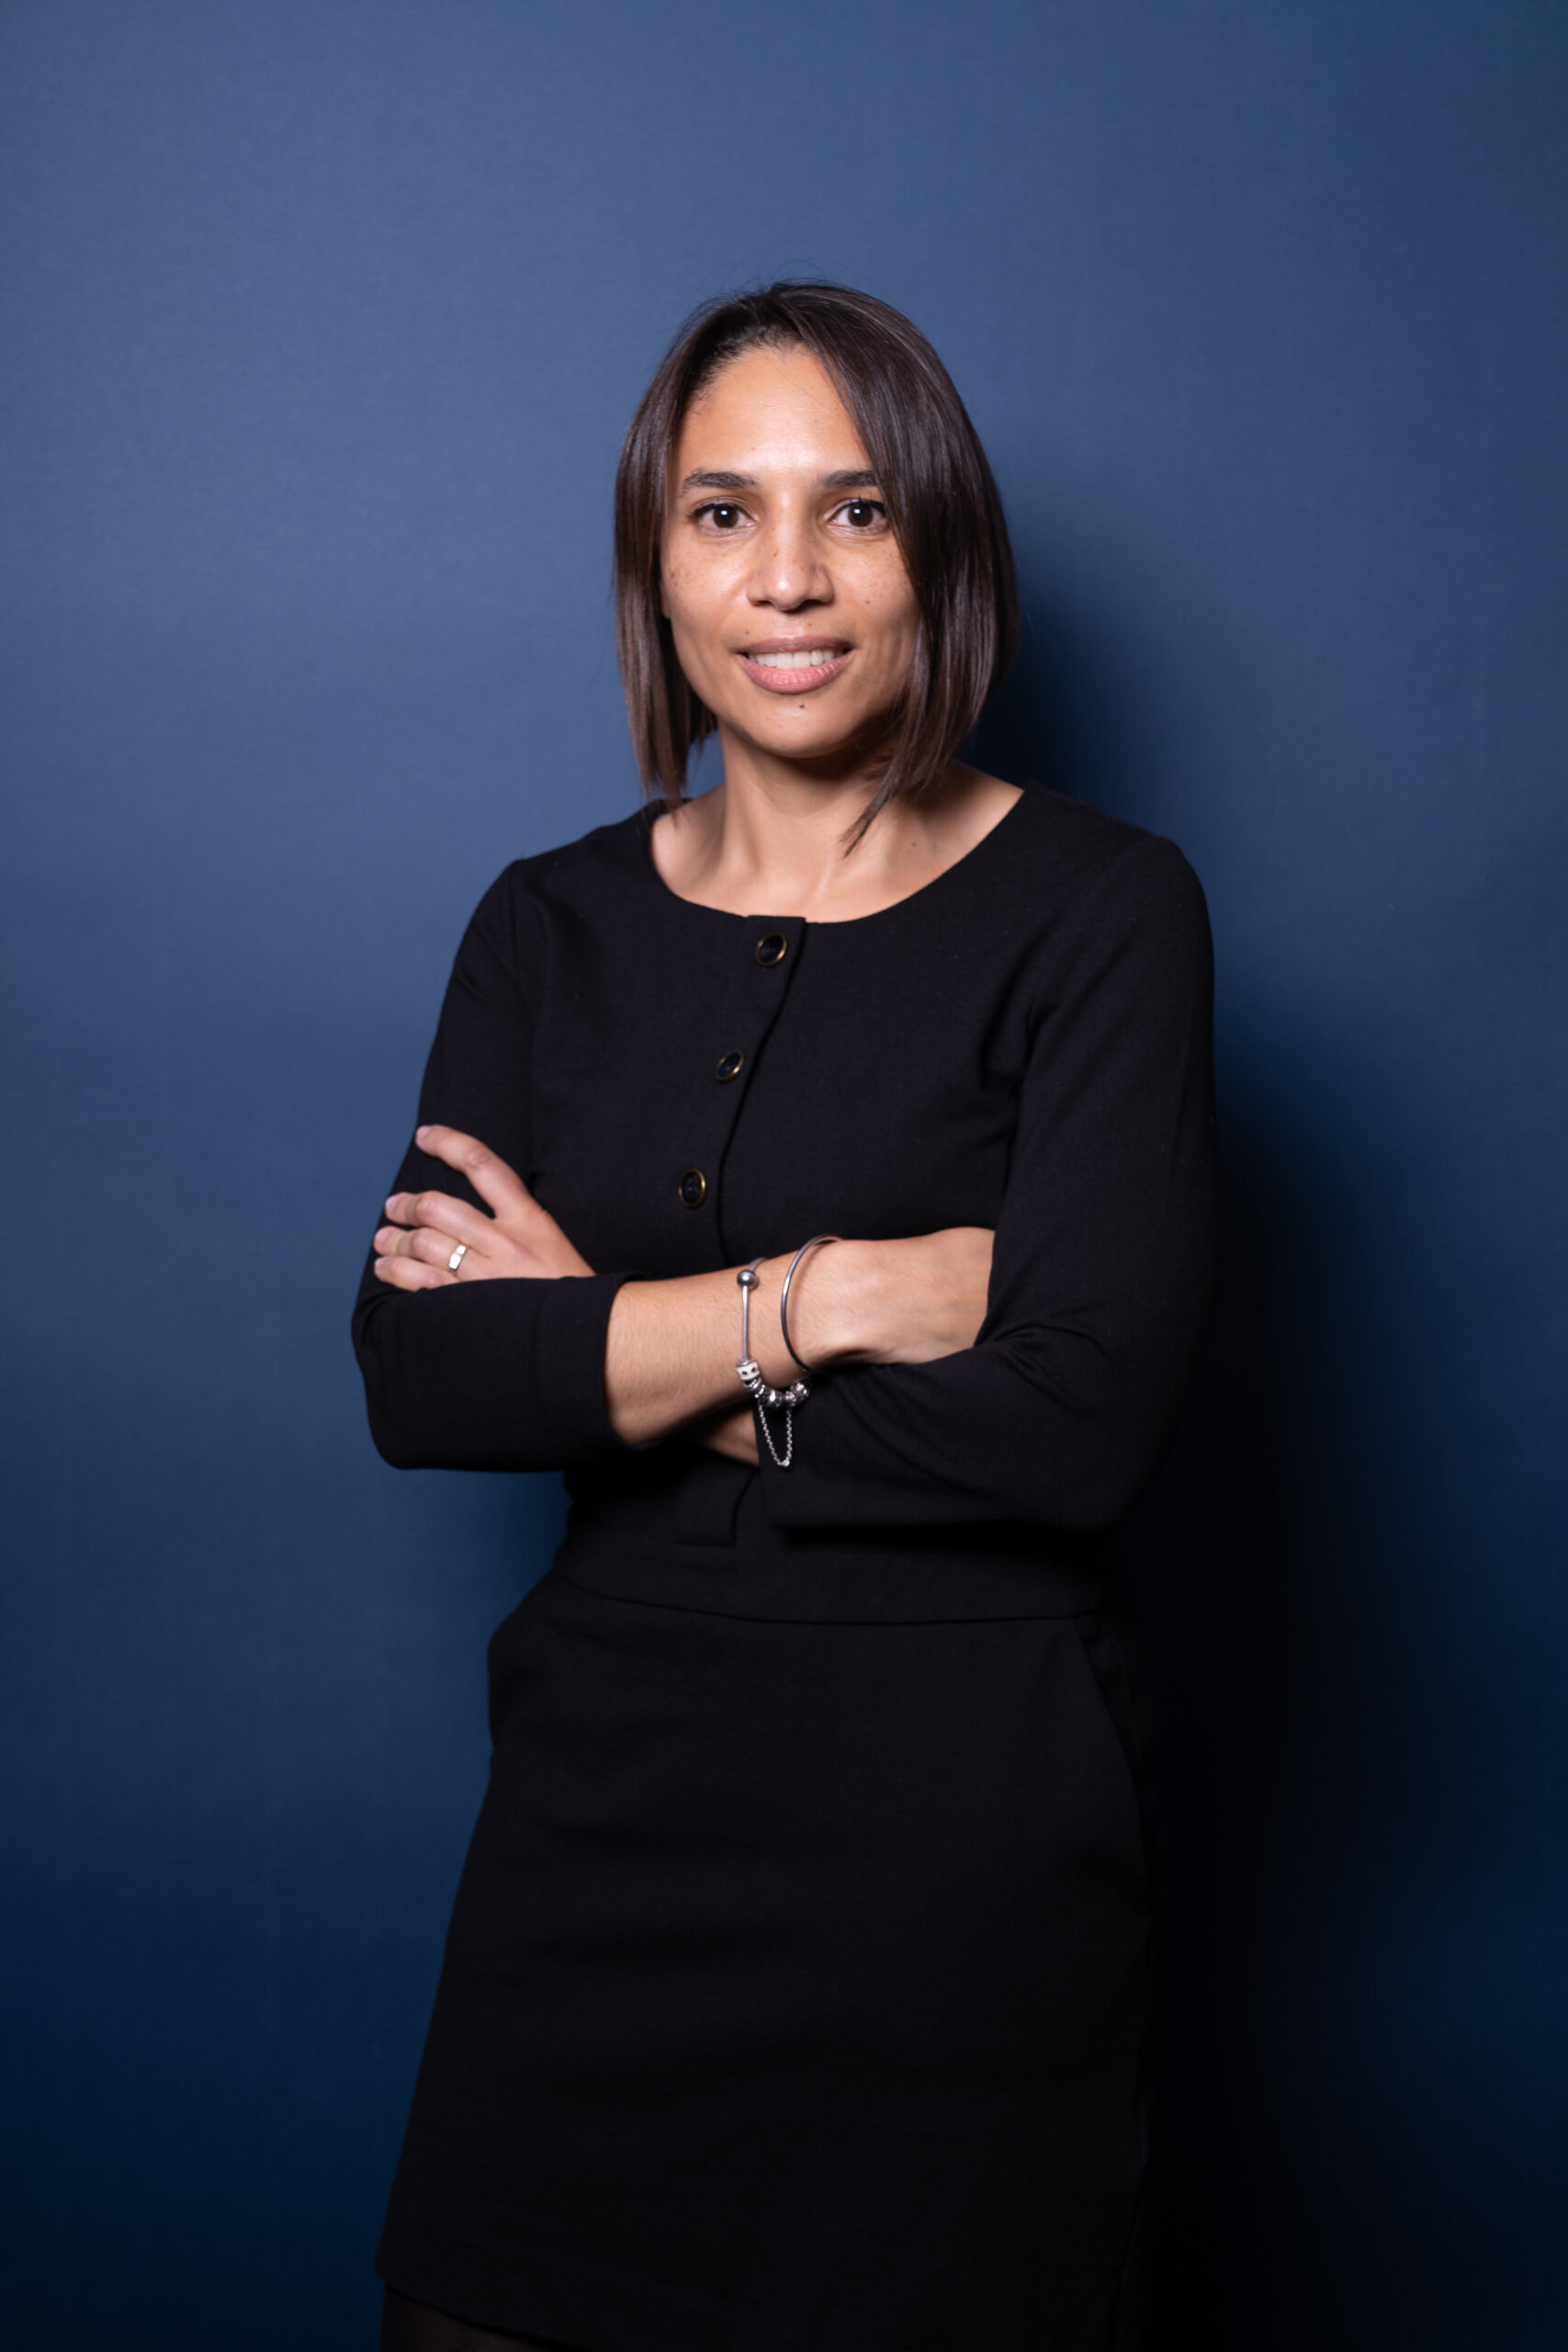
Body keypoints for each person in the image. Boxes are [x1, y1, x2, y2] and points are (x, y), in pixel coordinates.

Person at [355, 281, 1216, 2352]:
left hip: (961, 1879)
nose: (788, 579)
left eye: (856, 510)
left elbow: (1075, 1424)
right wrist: (827, 1299)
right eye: (723, 512)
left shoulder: (1104, 910)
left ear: (939, 549)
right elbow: (430, 1373)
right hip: (597, 1842)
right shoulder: (546, 924)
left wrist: (605, 1339)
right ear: (656, 564)